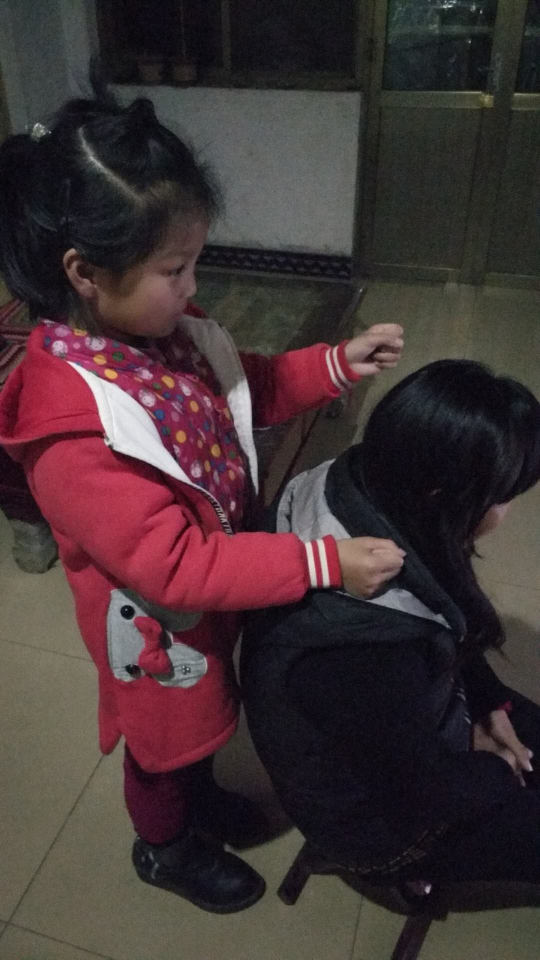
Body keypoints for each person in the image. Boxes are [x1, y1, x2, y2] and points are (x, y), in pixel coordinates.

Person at [0, 74, 405, 914]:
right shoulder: (72, 429)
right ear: (84, 272)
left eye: (194, 263)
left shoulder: (161, 335)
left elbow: (245, 385)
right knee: (164, 741)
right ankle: (164, 845)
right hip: (158, 624)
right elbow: (175, 567)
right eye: (175, 268)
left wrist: (334, 365)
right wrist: (322, 563)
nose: (193, 287)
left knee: (208, 717)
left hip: (218, 583)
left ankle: (199, 795)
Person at [241, 359, 540, 889]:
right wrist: (499, 769)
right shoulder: (360, 651)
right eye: (502, 497)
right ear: (443, 497)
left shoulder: (359, 478)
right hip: (380, 827)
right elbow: (418, 794)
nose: (507, 511)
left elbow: (439, 620)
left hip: (407, 733)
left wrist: (489, 705)